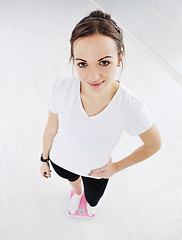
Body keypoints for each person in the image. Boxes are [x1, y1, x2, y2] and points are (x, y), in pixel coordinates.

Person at [40, 10, 162, 218]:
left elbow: (154, 144)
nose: (93, 76)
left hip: (96, 171)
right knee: (72, 181)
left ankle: (84, 198)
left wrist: (116, 167)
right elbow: (51, 128)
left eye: (104, 62)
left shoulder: (132, 106)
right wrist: (44, 158)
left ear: (119, 58)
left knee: (93, 200)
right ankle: (76, 192)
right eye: (82, 64)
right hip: (61, 159)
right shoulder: (60, 89)